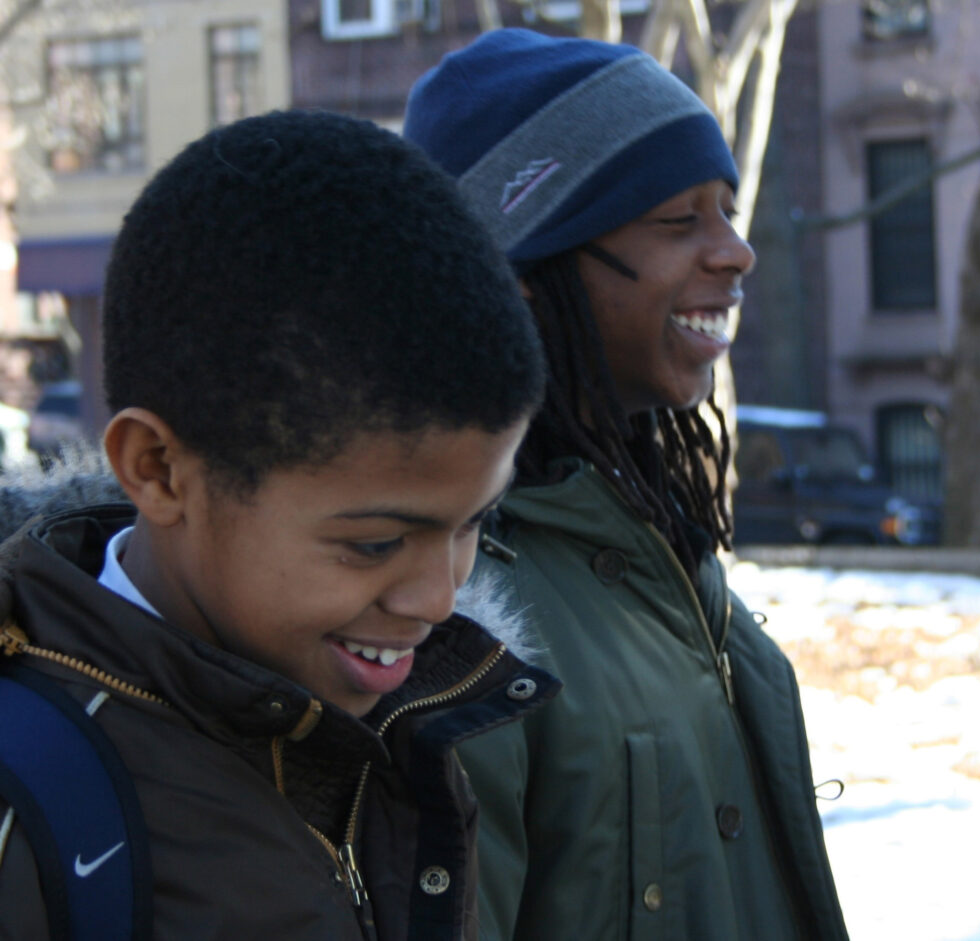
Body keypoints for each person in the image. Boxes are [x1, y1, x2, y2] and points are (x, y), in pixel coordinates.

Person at [0, 108, 557, 940]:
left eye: (473, 522)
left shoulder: (405, 729)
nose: (440, 598)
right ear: (157, 468)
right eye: (373, 542)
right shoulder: (28, 802)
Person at [404, 28, 849, 941]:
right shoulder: (449, 607)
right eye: (678, 220)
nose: (736, 253)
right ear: (528, 273)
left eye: (727, 211)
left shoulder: (653, 530)